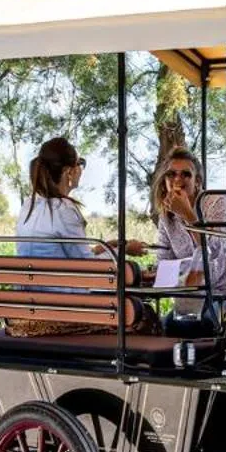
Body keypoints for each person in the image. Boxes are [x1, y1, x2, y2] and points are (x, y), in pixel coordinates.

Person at [12, 136, 153, 336]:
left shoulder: (28, 206)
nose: (81, 169)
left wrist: (107, 247)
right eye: (80, 163)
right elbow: (90, 271)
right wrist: (124, 250)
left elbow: (62, 256)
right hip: (63, 313)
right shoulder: (64, 209)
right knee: (143, 315)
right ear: (70, 171)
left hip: (29, 310)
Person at [151, 145, 226, 321]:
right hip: (190, 298)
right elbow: (162, 264)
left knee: (184, 325)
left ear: (197, 181)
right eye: (171, 174)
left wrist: (188, 215)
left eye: (185, 174)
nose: (177, 179)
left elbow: (215, 259)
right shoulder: (166, 217)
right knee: (161, 325)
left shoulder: (216, 202)